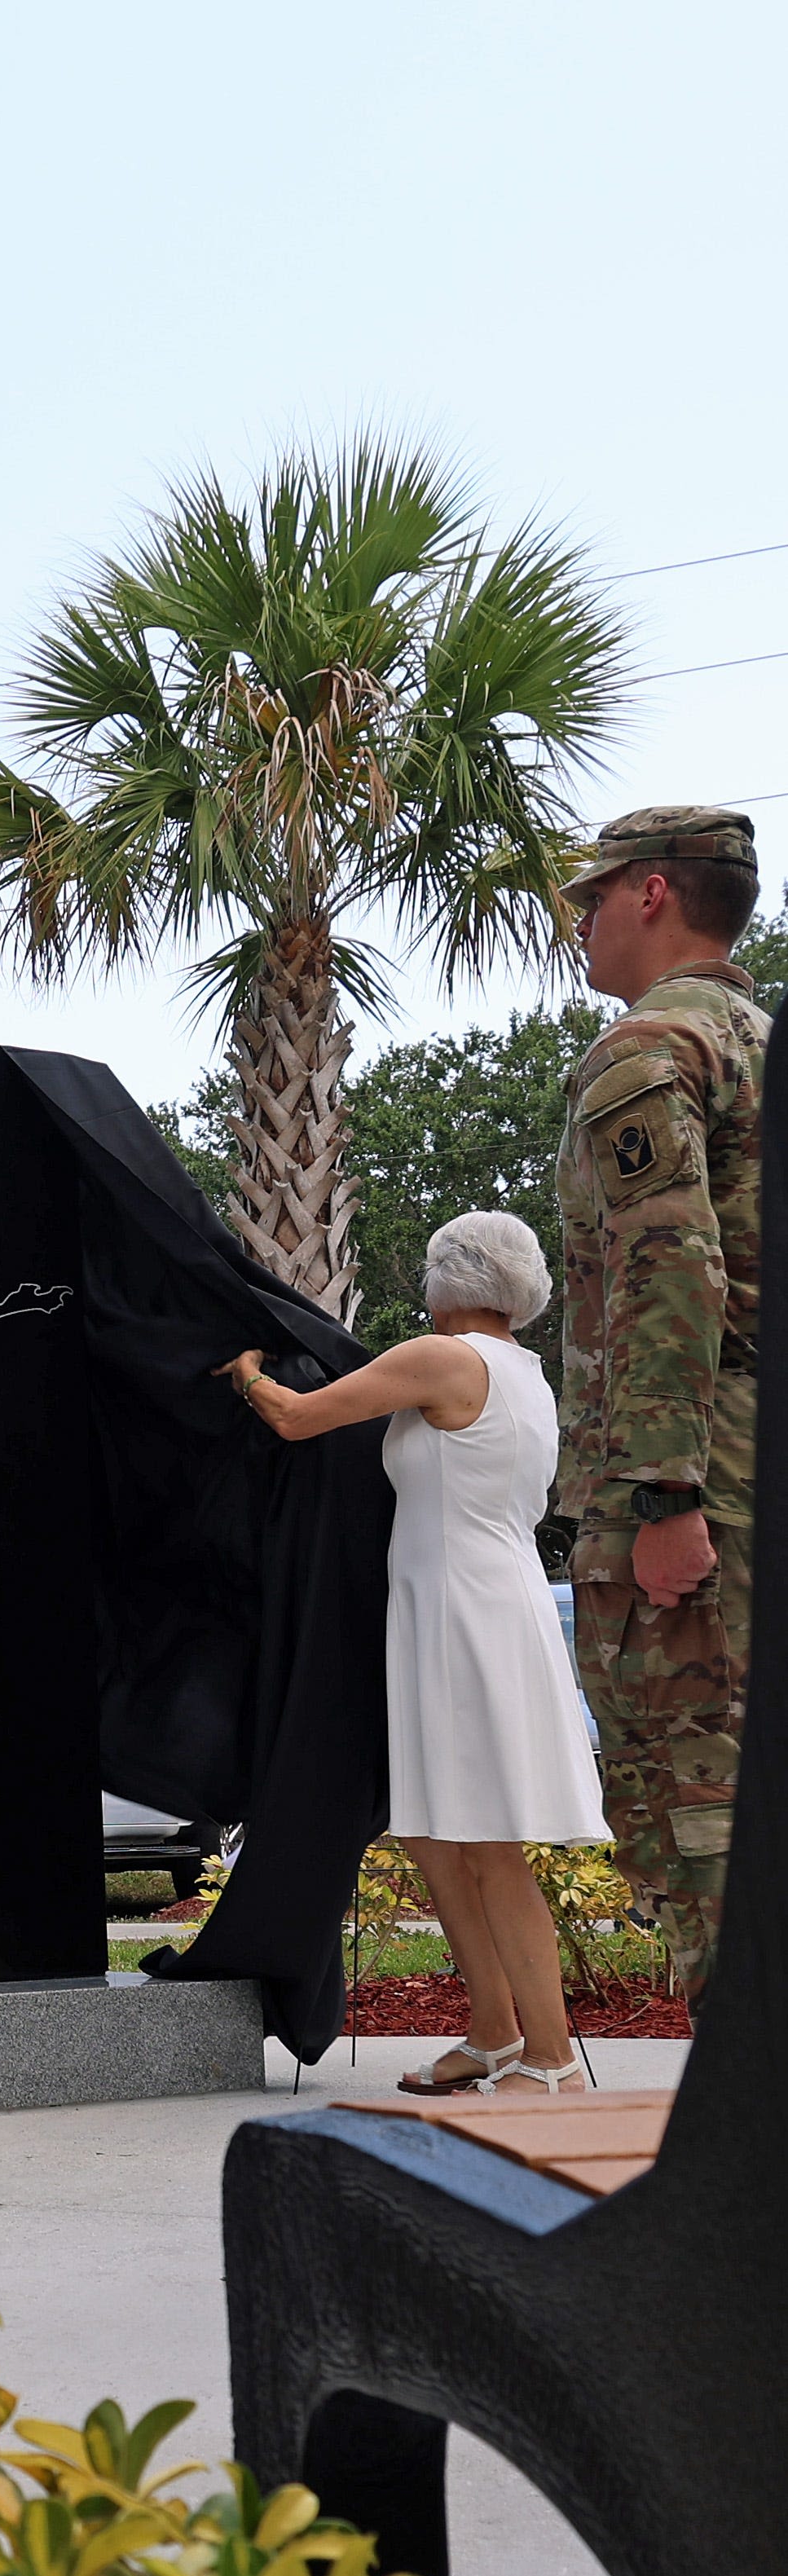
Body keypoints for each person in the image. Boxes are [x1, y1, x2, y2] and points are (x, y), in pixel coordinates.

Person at [219, 1212, 607, 2094]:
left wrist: (245, 1370)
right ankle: (491, 2034)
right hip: (460, 1602)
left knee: (486, 1842)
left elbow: (296, 1418)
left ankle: (549, 2062)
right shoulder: (522, 1373)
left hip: (464, 1609)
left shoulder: (441, 1357)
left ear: (445, 1283)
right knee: (433, 1835)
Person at [553, 807, 767, 2000]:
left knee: (696, 1810)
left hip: (692, 1490)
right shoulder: (758, 1040)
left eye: (591, 896)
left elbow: (668, 1264)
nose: (577, 921)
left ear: (650, 893)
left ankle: (741, 2143)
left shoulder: (649, 1049)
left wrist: (663, 1488)